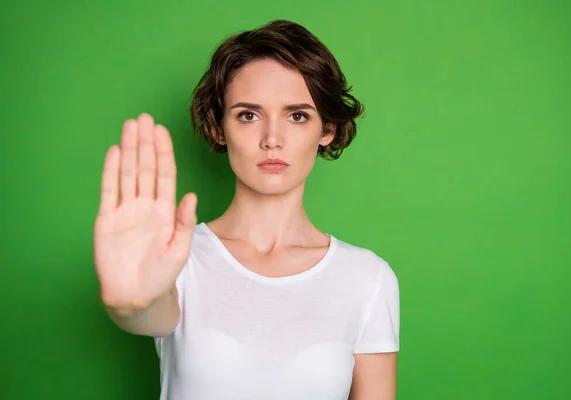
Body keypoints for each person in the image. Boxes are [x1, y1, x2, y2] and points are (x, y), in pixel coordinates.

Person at [93, 19, 400, 400]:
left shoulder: (368, 279)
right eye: (248, 115)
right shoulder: (177, 255)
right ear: (219, 127)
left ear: (328, 129)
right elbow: (147, 314)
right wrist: (129, 303)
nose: (272, 139)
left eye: (297, 115)